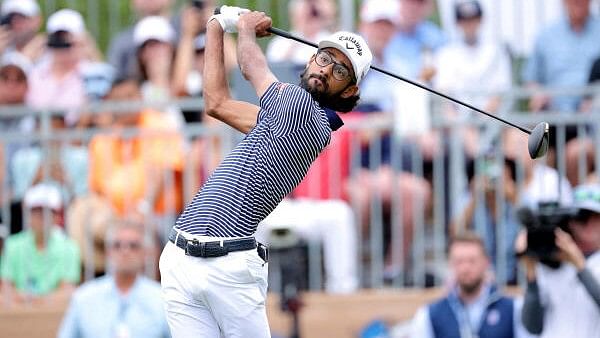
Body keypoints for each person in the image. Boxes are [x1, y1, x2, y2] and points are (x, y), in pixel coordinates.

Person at [159, 6, 373, 337]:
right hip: (180, 257)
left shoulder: (300, 110)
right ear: (311, 60)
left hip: (229, 267)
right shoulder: (281, 118)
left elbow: (250, 66)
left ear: (349, 92)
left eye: (342, 71)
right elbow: (215, 102)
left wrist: (244, 26)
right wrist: (216, 27)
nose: (328, 69)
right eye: (325, 57)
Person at [58, 220, 170, 338]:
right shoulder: (84, 298)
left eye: (133, 246)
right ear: (108, 252)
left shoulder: (162, 299)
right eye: (117, 245)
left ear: (146, 253)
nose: (125, 251)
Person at [517, 183, 600, 338]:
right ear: (569, 220)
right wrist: (531, 276)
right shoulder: (552, 260)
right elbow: (532, 326)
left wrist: (579, 265)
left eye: (596, 216)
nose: (589, 223)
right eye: (582, 217)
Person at [410, 232, 530, 338]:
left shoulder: (515, 308)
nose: (465, 268)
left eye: (472, 261)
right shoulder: (429, 314)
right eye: (459, 261)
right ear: (450, 263)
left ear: (486, 262)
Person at [0, 183, 80, 304]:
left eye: (48, 212)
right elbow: (5, 288)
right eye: (36, 211)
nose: (42, 217)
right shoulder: (12, 245)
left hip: (54, 316)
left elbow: (68, 291)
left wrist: (32, 300)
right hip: (17, 315)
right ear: (28, 215)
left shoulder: (69, 247)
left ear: (57, 217)